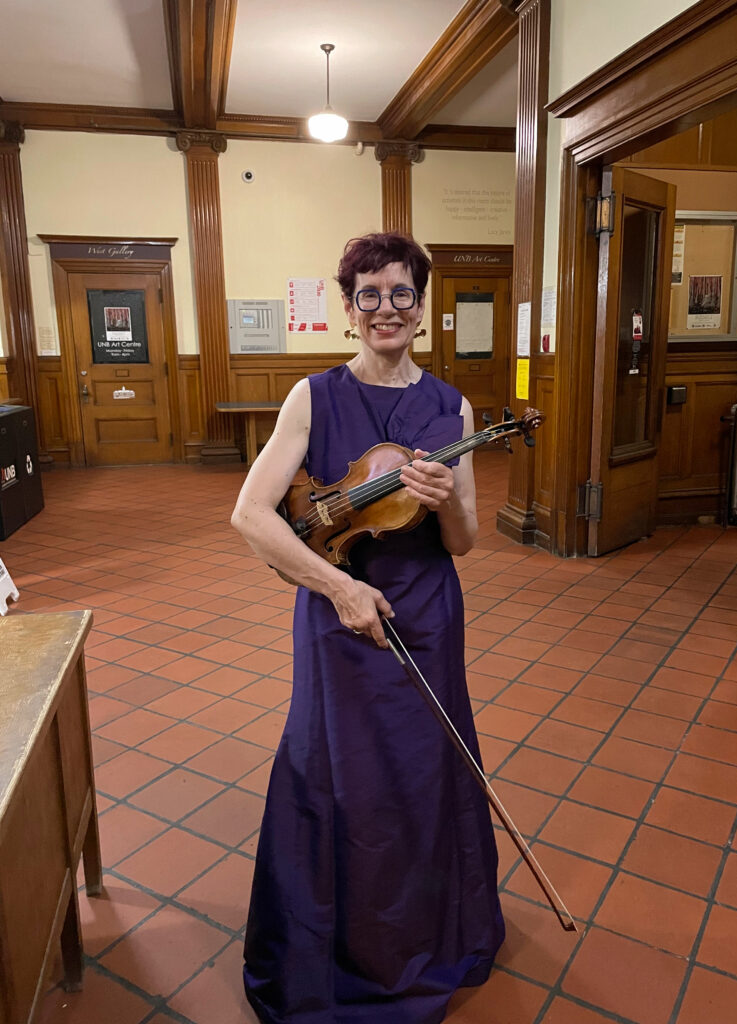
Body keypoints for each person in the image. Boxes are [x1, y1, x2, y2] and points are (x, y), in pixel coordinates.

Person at [232, 232, 504, 1024]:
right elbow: (252, 514)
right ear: (349, 308)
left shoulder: (451, 406)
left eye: (401, 293)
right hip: (337, 614)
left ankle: (424, 934)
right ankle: (334, 947)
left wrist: (447, 493)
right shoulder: (312, 397)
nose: (386, 308)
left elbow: (463, 541)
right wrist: (335, 586)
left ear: (421, 307)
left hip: (425, 612)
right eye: (369, 294)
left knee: (424, 769)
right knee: (336, 767)